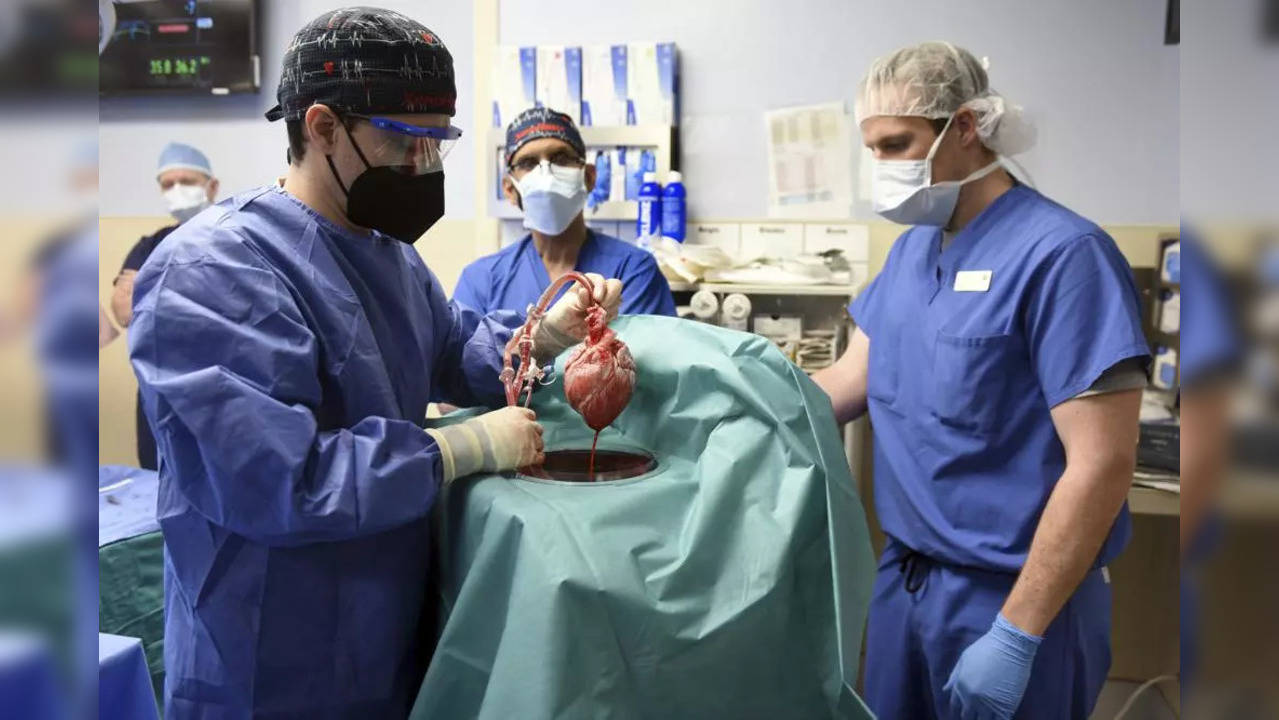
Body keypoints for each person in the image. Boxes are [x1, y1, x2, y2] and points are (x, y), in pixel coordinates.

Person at [127, 8, 622, 718]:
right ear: (322, 126)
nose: (423, 166)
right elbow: (277, 480)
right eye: (404, 140)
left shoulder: (386, 254)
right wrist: (463, 446)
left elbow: (452, 349)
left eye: (437, 144)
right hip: (269, 658)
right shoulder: (210, 272)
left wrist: (541, 337)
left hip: (382, 637)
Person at [812, 42, 1150, 720]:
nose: (881, 166)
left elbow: (1103, 464)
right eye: (871, 148)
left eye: (897, 143)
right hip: (905, 584)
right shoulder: (910, 253)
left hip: (1017, 598)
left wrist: (1016, 633)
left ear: (963, 127)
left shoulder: (1063, 256)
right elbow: (841, 384)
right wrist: (709, 388)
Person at [454, 107, 675, 317]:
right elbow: (467, 354)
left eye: (560, 158)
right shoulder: (482, 280)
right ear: (510, 190)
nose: (546, 174)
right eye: (528, 163)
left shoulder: (632, 270)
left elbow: (640, 353)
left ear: (588, 177)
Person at [110, 141, 219, 470]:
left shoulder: (233, 235)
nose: (177, 190)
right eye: (168, 184)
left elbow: (232, 310)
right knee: (157, 481)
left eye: (186, 182)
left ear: (211, 187)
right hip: (156, 391)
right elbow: (125, 311)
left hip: (217, 388)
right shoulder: (152, 243)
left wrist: (147, 287)